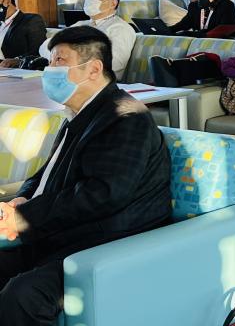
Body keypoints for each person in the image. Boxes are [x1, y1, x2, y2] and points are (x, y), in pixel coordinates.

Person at [0, 26, 171, 325]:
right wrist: (23, 199)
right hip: (65, 231)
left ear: (93, 69)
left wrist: (25, 218)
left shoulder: (126, 117)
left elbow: (104, 193)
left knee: (24, 296)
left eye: (59, 61)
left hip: (106, 243)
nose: (50, 70)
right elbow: (46, 173)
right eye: (50, 61)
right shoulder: (82, 114)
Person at [39, 0, 136, 80]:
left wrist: (70, 60)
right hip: (64, 76)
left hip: (97, 81)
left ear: (113, 3)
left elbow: (116, 64)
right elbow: (46, 46)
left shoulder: (120, 28)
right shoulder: (81, 24)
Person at [0, 0, 46, 65]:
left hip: (13, 69)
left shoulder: (32, 20)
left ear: (7, 1)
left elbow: (39, 51)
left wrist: (17, 60)